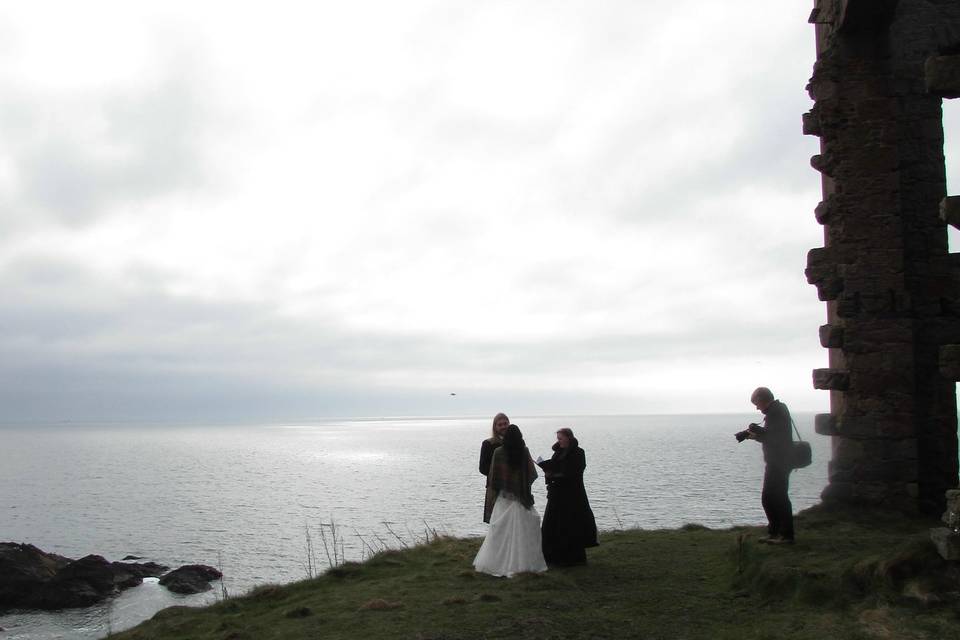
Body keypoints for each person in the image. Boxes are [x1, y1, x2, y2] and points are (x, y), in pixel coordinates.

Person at [473, 424, 548, 577]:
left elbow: (494, 477)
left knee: (500, 531)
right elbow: (532, 474)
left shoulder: (499, 452)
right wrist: (521, 484)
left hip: (504, 498)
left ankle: (498, 563)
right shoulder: (524, 451)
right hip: (521, 498)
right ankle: (522, 563)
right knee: (522, 531)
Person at [538, 428, 598, 565]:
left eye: (560, 438)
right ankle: (553, 557)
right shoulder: (558, 453)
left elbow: (573, 473)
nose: (558, 441)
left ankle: (572, 559)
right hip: (557, 494)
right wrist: (547, 471)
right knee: (552, 526)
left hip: (572, 495)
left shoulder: (578, 453)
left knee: (571, 526)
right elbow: (554, 467)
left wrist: (553, 474)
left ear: (568, 438)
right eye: (558, 439)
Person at [744, 387, 795, 544]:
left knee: (775, 497)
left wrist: (755, 435)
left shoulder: (775, 412)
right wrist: (758, 433)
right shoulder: (778, 410)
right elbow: (774, 435)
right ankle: (776, 532)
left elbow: (774, 438)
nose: (757, 407)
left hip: (778, 461)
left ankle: (785, 535)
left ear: (762, 399)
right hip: (779, 460)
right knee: (773, 497)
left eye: (756, 403)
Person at [479, 413, 510, 523]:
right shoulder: (488, 444)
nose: (503, 427)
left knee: (512, 520)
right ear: (495, 427)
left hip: (514, 487)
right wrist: (501, 472)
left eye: (505, 424)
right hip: (495, 487)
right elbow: (483, 468)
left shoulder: (517, 443)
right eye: (500, 424)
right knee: (497, 520)